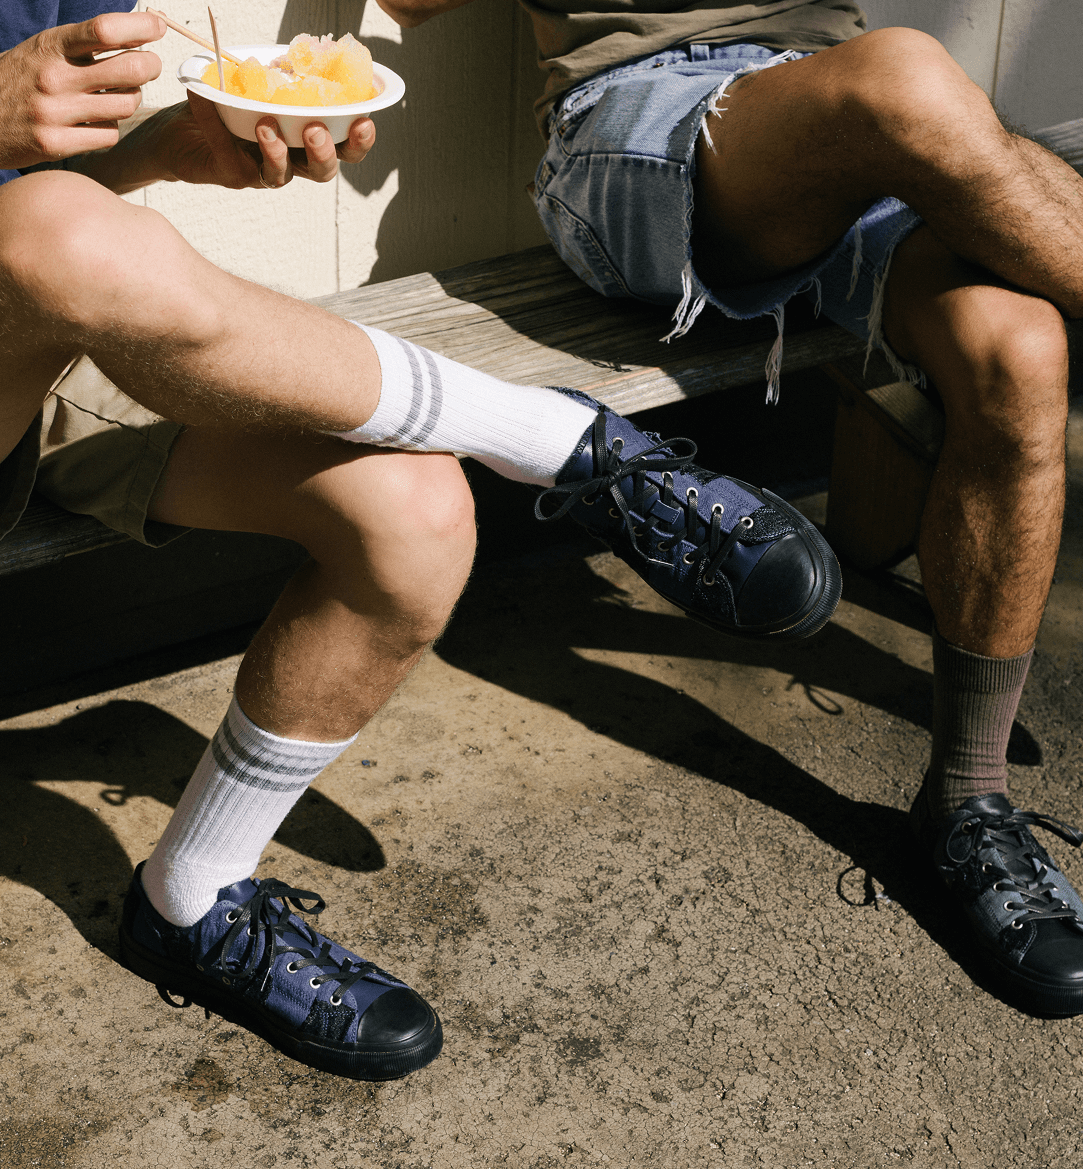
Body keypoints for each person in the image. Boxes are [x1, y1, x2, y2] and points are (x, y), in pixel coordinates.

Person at [0, 6, 839, 1080]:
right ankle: (563, 439)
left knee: (413, 515)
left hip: (31, 334)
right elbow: (16, 215)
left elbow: (16, 219)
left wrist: (161, 154)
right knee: (57, 228)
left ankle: (188, 901)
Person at [374, 0, 1083, 1016]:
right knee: (910, 79)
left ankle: (968, 803)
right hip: (642, 123)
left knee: (1023, 354)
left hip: (842, 117)